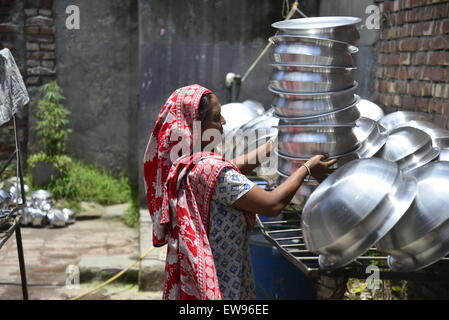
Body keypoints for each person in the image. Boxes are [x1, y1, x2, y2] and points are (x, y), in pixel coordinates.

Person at [143, 84, 336, 300]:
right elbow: (272, 205)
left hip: (203, 272)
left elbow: (231, 168)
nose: (223, 123)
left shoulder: (184, 163)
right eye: (217, 118)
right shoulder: (210, 168)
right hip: (223, 281)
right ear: (196, 126)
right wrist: (307, 168)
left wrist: (276, 145)